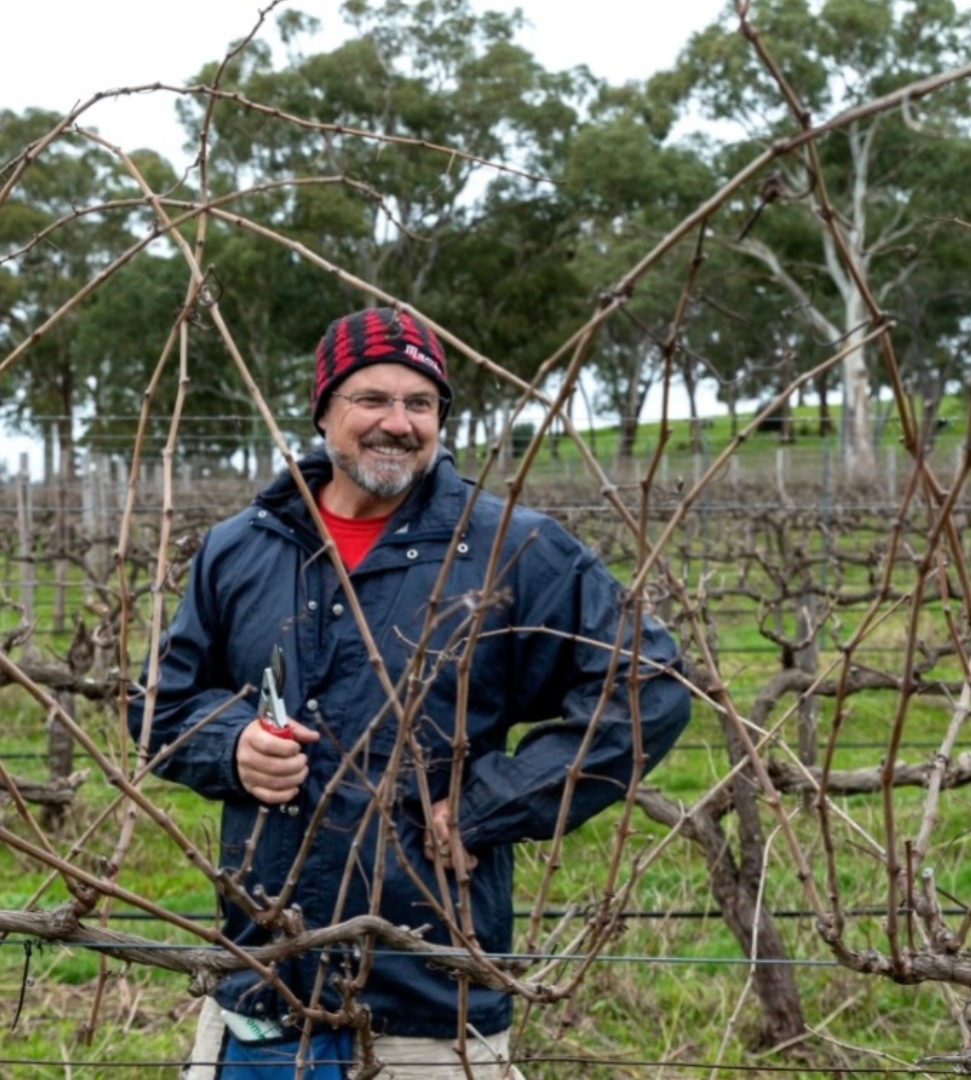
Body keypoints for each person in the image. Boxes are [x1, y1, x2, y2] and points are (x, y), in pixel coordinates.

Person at [129, 307, 691, 1078]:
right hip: (261, 987)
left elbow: (647, 684)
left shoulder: (510, 550)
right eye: (372, 399)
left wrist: (492, 803)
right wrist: (231, 747)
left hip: (431, 1001)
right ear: (323, 409)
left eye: (419, 404)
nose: (398, 423)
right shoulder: (241, 548)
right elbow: (158, 706)